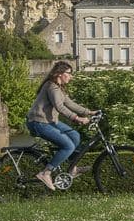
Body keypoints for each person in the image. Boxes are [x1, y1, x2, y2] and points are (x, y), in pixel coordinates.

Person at [26, 61, 98, 191]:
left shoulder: (58, 88)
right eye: (69, 73)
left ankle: (72, 169)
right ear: (59, 74)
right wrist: (77, 118)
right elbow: (60, 107)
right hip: (38, 122)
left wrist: (89, 112)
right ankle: (45, 173)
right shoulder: (51, 87)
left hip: (50, 121)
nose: (71, 77)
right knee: (68, 146)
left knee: (75, 135)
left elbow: (69, 104)